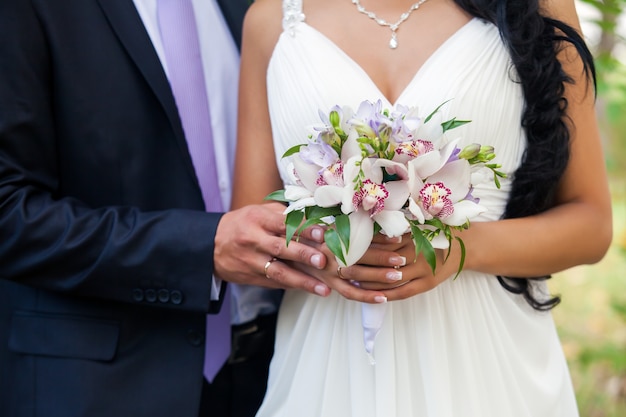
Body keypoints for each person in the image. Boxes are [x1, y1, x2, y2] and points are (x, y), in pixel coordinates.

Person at [0, 0, 394, 416]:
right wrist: (201, 248)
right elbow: (9, 211)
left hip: (285, 367)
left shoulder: (267, 8)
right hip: (104, 383)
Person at [232, 0, 613, 415]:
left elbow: (591, 224)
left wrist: (459, 250)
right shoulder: (272, 20)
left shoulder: (540, 6)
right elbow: (250, 236)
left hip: (491, 364)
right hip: (327, 366)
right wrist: (325, 248)